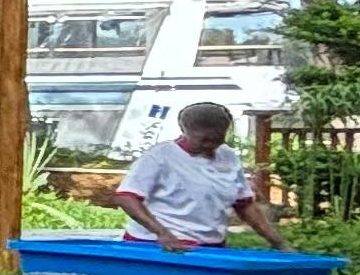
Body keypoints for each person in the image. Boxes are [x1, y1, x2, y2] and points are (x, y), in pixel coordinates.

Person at [113, 100, 281, 251]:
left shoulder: (228, 156)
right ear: (185, 130)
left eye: (217, 139)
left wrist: (278, 243)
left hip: (210, 247)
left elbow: (244, 204)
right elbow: (127, 197)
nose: (211, 145)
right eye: (204, 140)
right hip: (156, 246)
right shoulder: (160, 156)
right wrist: (162, 233)